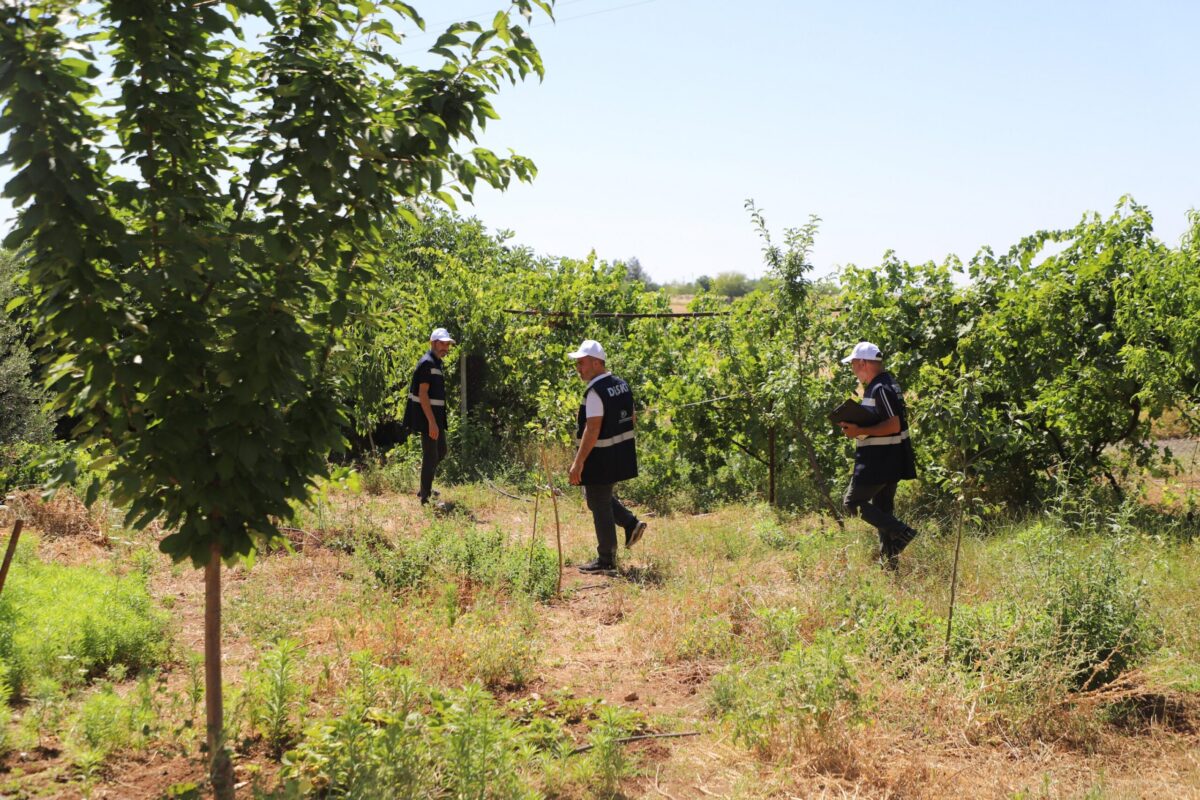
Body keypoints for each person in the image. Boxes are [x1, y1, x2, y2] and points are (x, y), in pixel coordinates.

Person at [567, 339, 648, 573]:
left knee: (598, 502)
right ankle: (631, 524)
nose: (578, 369)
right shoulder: (621, 384)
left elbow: (591, 430)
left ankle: (606, 559)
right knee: (598, 497)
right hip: (619, 453)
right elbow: (631, 418)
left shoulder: (595, 392)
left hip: (600, 456)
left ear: (595, 363)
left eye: (581, 363)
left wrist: (578, 462)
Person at [837, 341, 918, 570]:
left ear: (863, 363)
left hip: (879, 461)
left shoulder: (880, 388)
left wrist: (859, 430)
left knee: (852, 502)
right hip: (887, 459)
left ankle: (902, 531)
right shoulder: (884, 384)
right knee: (883, 512)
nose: (853, 369)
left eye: (853, 364)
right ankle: (890, 568)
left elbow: (892, 425)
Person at [404, 327, 454, 505]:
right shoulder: (427, 363)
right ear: (433, 343)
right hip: (428, 418)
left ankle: (425, 487)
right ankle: (425, 497)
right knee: (431, 455)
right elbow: (423, 394)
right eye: (442, 343)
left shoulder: (436, 362)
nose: (445, 348)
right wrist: (432, 423)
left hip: (435, 418)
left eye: (447, 344)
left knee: (440, 452)